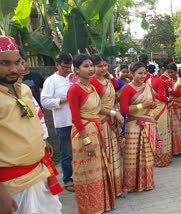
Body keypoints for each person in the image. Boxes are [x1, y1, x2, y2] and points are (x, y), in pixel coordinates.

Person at [0, 36, 62, 214]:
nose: (14, 69)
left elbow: (32, 122)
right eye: (5, 63)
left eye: (17, 62)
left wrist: (42, 141)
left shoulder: (25, 90)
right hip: (13, 185)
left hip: (40, 173)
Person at [67, 54, 116, 213]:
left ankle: (101, 203)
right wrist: (86, 142)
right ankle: (90, 207)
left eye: (90, 66)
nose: (90, 69)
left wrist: (115, 114)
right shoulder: (74, 89)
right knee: (87, 172)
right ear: (76, 69)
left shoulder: (91, 87)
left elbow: (98, 109)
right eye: (85, 66)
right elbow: (76, 118)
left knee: (98, 168)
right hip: (83, 135)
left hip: (95, 130)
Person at [120, 62, 158, 197]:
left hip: (147, 124)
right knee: (131, 155)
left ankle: (146, 182)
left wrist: (151, 107)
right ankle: (129, 185)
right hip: (133, 125)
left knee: (146, 155)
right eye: (139, 73)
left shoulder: (147, 86)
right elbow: (124, 109)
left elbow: (152, 103)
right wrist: (143, 105)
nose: (143, 76)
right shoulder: (127, 89)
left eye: (144, 73)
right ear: (132, 74)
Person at [89, 53, 124, 197]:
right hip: (101, 122)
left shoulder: (107, 81)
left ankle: (115, 188)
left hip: (111, 120)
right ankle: (105, 190)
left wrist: (116, 113)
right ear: (92, 67)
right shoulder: (92, 83)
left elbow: (114, 97)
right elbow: (95, 107)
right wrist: (114, 114)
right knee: (104, 154)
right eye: (99, 66)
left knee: (113, 152)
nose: (103, 68)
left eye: (105, 65)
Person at [41, 52, 76, 192]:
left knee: (81, 151)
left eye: (70, 66)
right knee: (66, 153)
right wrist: (63, 100)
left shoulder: (75, 77)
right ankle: (67, 179)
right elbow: (44, 101)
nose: (68, 70)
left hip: (79, 120)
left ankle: (82, 176)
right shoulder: (51, 80)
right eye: (64, 67)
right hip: (63, 122)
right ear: (57, 65)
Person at [147, 62, 172, 167]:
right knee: (162, 131)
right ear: (158, 71)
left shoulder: (147, 81)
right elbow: (161, 97)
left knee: (153, 132)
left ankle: (152, 157)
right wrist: (168, 99)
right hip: (161, 108)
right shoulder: (159, 81)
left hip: (151, 109)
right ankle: (162, 158)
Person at [165, 63, 181, 155]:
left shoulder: (180, 81)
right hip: (170, 106)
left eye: (172, 72)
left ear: (176, 72)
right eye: (168, 72)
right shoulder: (166, 82)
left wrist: (176, 86)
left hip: (179, 106)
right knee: (172, 127)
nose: (170, 74)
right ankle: (173, 149)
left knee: (180, 127)